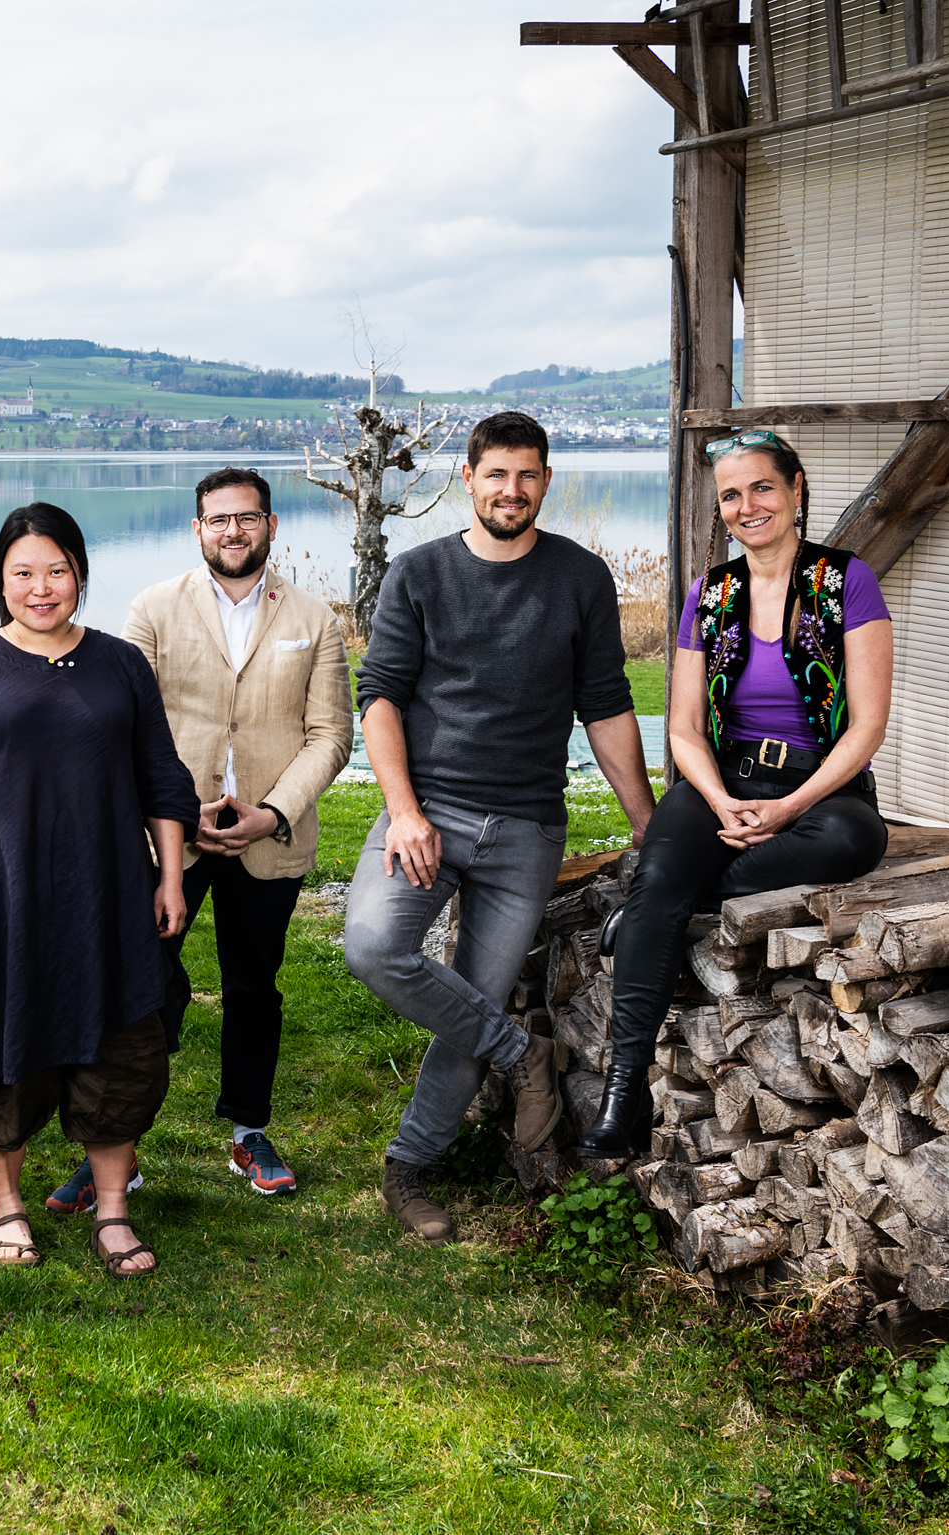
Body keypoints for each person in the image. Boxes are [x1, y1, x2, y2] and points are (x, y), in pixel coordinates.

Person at [343, 411, 654, 1243]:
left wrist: (645, 824)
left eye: (526, 475)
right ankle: (521, 1052)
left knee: (468, 997)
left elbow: (608, 707)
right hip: (428, 812)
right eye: (495, 474)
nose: (510, 490)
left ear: (544, 481)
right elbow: (377, 697)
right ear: (468, 479)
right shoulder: (416, 573)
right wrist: (404, 810)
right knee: (373, 945)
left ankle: (410, 1166)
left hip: (524, 827)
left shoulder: (580, 577)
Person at [0, 503, 199, 1275]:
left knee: (122, 1054)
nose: (41, 586)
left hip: (107, 898)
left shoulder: (121, 664)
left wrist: (169, 877)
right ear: (0, 578)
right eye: (23, 572)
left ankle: (113, 1212)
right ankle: (9, 1208)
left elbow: (162, 779)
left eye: (55, 570)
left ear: (80, 573)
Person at [577, 430, 892, 1159]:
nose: (746, 506)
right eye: (730, 494)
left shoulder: (847, 581)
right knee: (664, 853)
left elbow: (866, 727)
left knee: (854, 840)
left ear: (796, 490)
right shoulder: (709, 594)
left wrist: (786, 809)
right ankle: (624, 1094)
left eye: (761, 488)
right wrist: (719, 801)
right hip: (722, 778)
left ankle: (669, 898)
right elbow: (684, 726)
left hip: (820, 786)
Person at [100, 466, 350, 1205]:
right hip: (169, 835)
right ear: (196, 529)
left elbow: (330, 734)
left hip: (267, 837)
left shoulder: (315, 619)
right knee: (142, 985)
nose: (232, 531)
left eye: (246, 518)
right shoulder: (150, 609)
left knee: (253, 987)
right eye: (218, 520)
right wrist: (180, 810)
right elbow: (129, 727)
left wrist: (270, 812)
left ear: (271, 526)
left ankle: (248, 1131)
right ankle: (118, 1145)